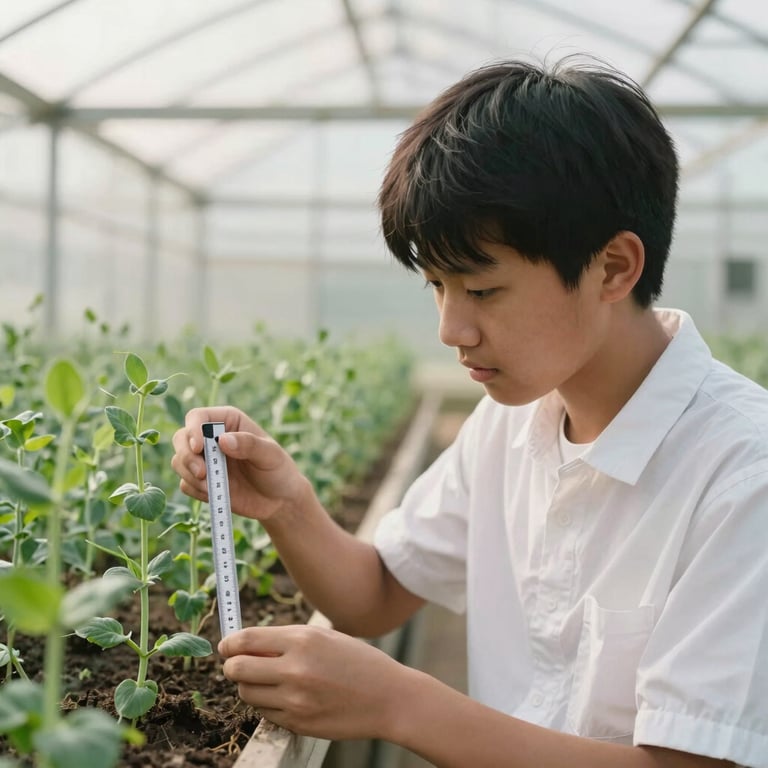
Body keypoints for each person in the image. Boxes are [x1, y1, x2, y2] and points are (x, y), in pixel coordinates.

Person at [171, 56, 768, 768]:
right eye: (436, 285)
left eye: (482, 291)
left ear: (613, 268)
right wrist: (286, 505)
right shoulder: (511, 422)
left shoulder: (741, 473)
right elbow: (380, 592)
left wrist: (398, 702)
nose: (452, 329)